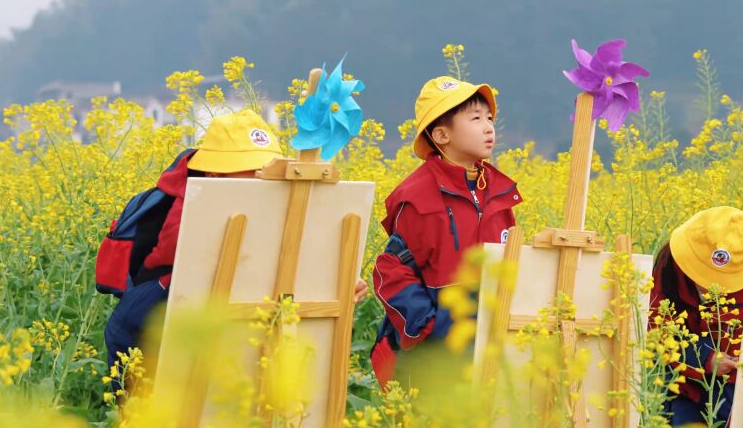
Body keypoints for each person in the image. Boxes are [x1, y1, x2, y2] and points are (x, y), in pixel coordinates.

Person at [101, 110, 368, 379]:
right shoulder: (190, 206)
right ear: (215, 174)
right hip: (164, 306)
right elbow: (241, 263)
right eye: (252, 170)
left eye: (267, 169)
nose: (263, 176)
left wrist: (336, 283)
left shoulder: (276, 198)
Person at [370, 76, 523, 389]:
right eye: (476, 118)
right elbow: (392, 269)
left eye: (490, 118)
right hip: (436, 358)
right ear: (441, 135)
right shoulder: (418, 196)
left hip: (489, 348)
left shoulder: (499, 192)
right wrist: (429, 327)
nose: (489, 127)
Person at [649, 206, 743, 428]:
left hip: (732, 395)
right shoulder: (669, 269)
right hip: (681, 381)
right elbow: (657, 332)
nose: (710, 288)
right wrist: (707, 359)